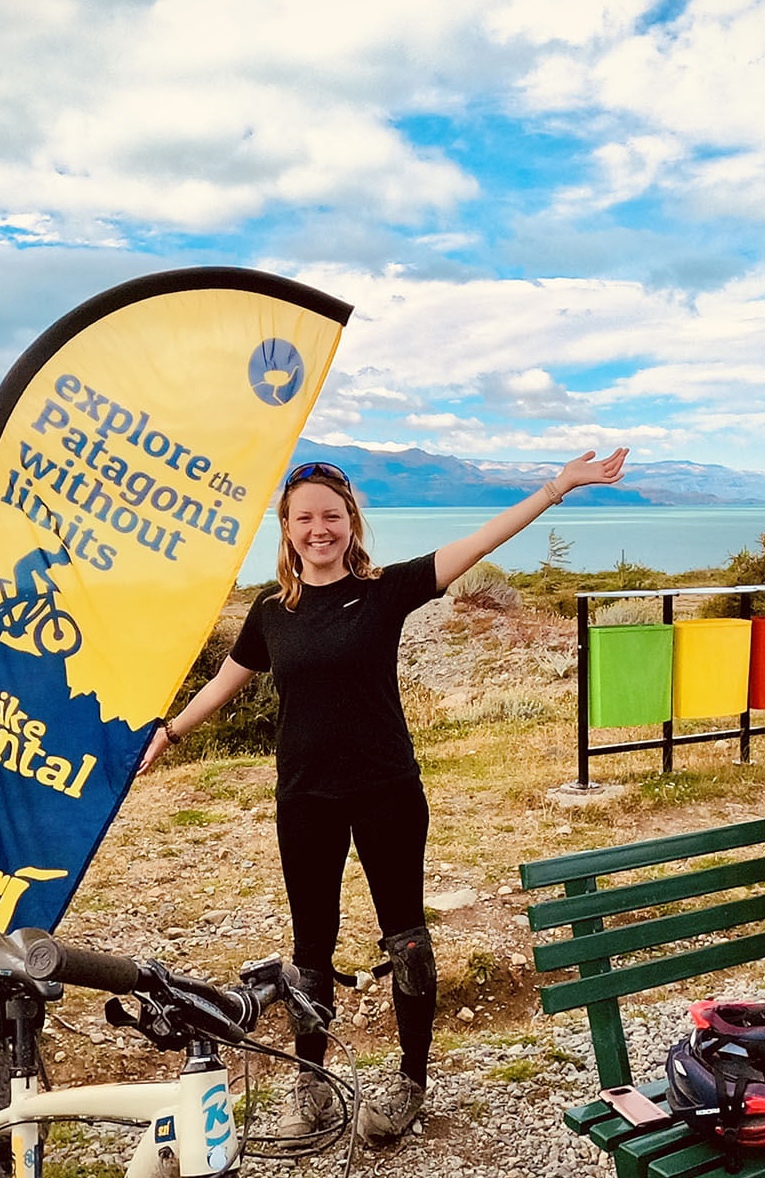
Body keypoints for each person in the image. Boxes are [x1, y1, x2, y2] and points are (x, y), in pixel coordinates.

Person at [139, 448, 629, 1143]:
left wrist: (556, 487)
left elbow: (478, 543)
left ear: (351, 522)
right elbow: (226, 683)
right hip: (305, 798)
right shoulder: (270, 614)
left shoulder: (385, 592)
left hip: (387, 793)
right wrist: (170, 731)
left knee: (407, 941)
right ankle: (309, 1088)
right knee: (310, 949)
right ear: (286, 526)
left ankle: (409, 1082)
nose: (319, 528)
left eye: (331, 516)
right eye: (304, 517)